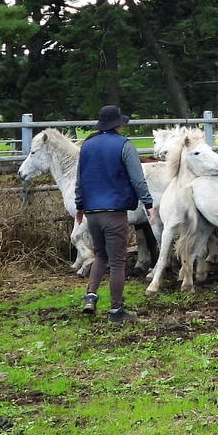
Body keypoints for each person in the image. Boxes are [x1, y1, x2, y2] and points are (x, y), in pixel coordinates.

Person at [75, 105, 155, 324]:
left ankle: (90, 296)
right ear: (118, 124)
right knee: (118, 262)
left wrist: (79, 205)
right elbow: (137, 179)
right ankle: (116, 311)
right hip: (115, 212)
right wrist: (148, 203)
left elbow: (80, 180)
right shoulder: (124, 145)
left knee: (101, 256)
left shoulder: (87, 146)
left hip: (92, 213)